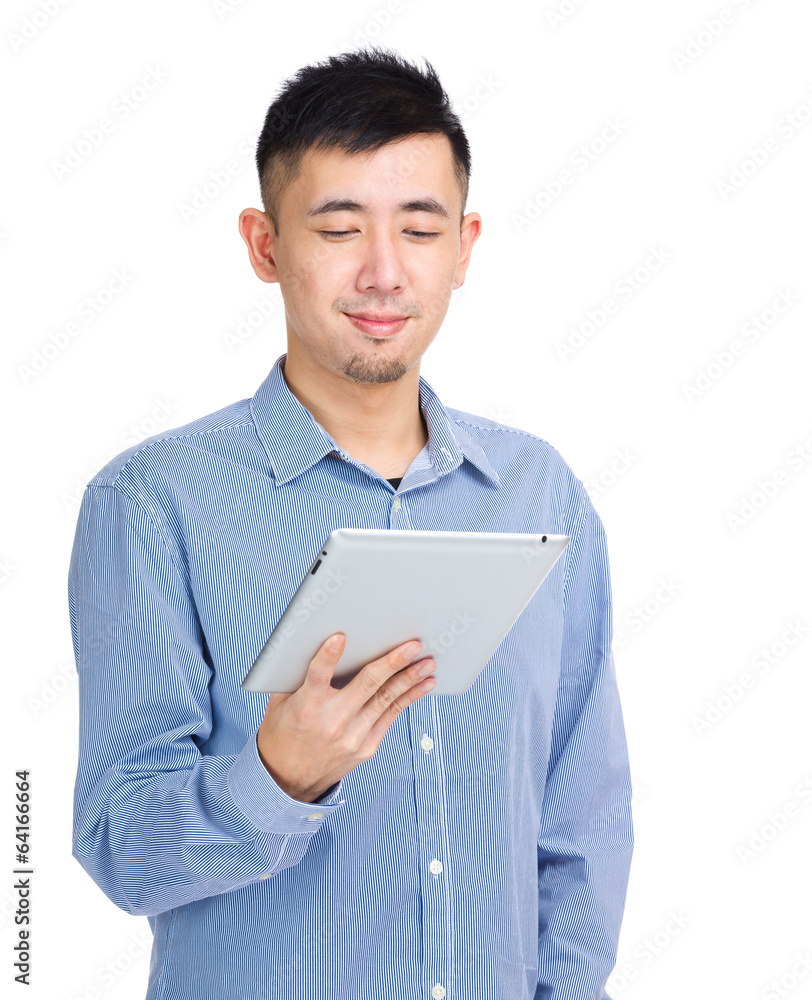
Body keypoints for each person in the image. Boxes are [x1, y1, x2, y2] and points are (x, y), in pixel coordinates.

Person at [68, 46, 633, 1000]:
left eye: (420, 229)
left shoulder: (538, 493)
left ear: (465, 247)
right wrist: (276, 774)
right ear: (264, 245)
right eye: (337, 229)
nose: (383, 272)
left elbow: (581, 825)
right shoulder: (153, 502)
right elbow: (122, 848)